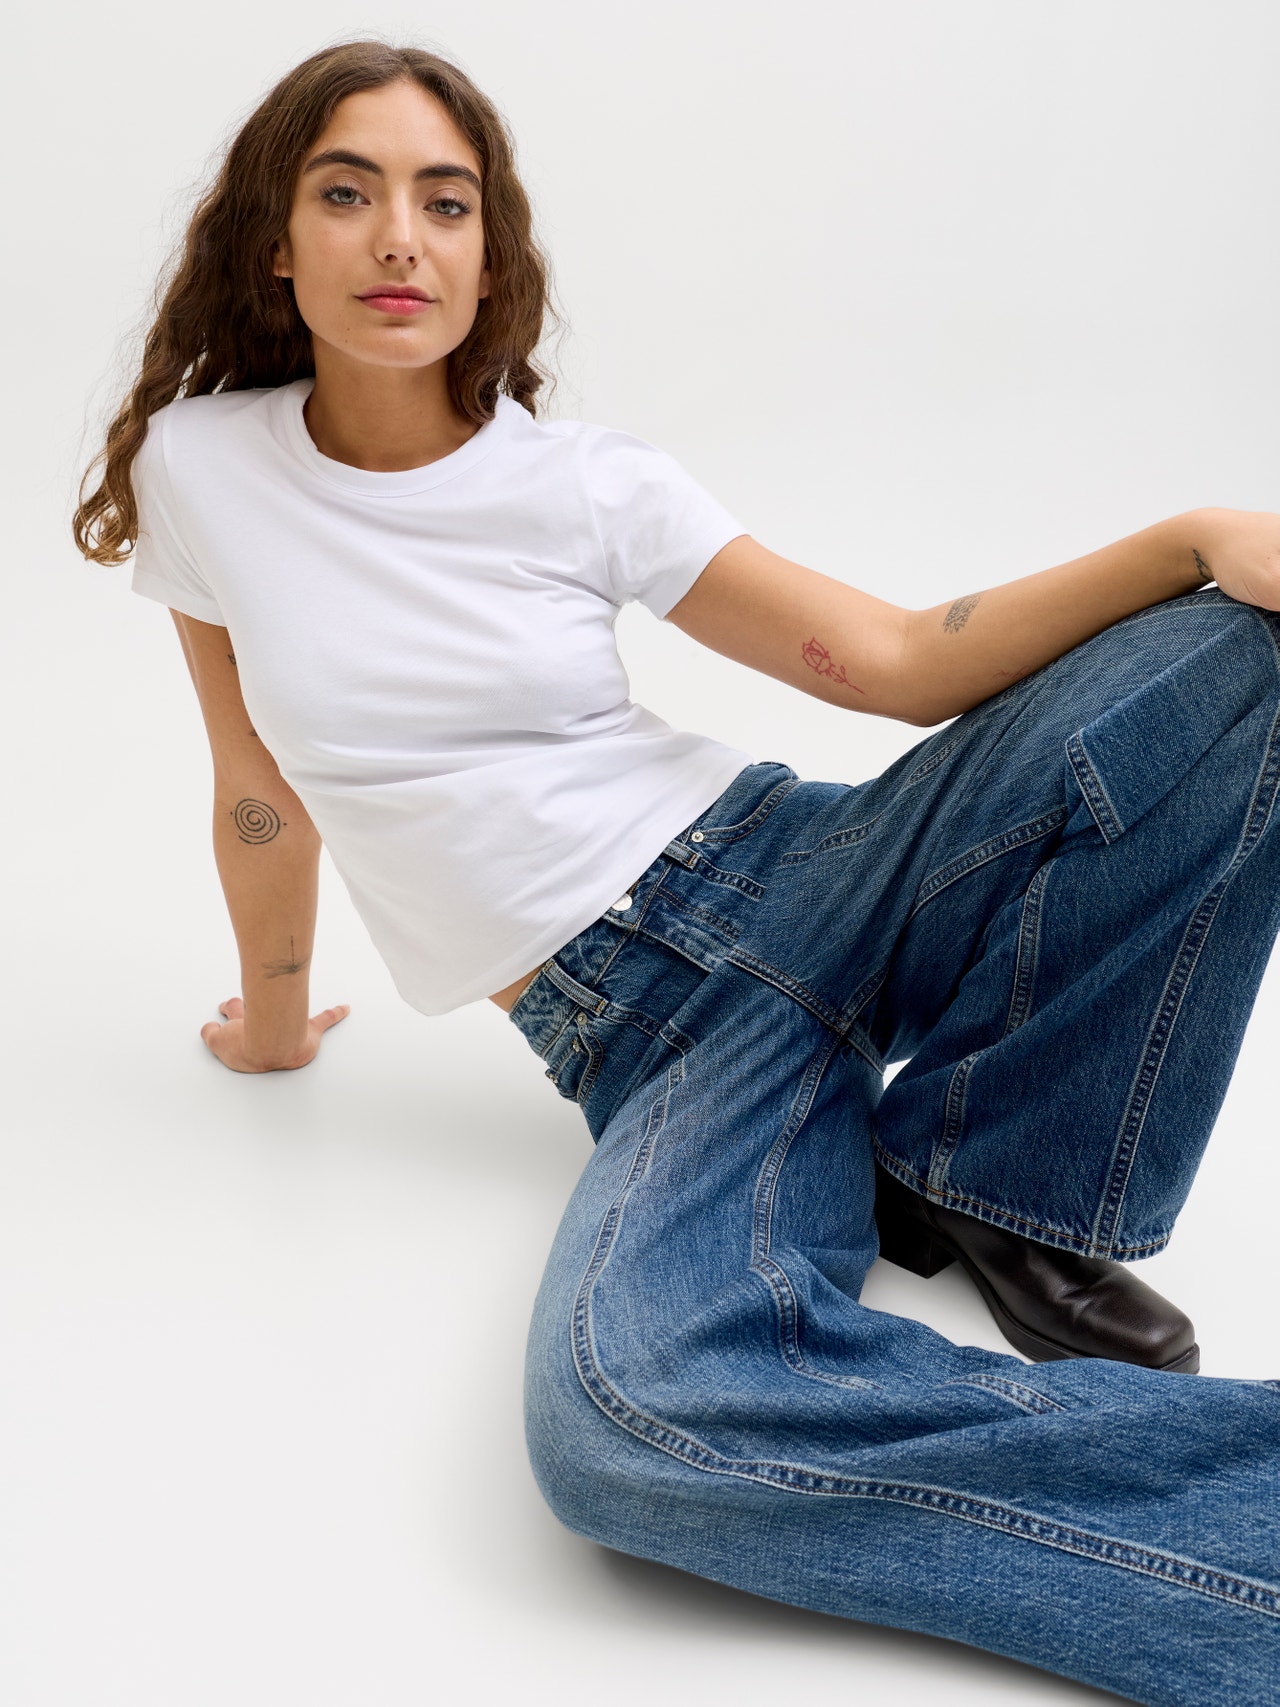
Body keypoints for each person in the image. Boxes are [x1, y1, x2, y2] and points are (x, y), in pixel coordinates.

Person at [74, 39, 1280, 1707]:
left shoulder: (585, 483)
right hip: (661, 1037)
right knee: (624, 1418)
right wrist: (272, 1021)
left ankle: (1003, 1178)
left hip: (815, 866)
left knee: (1235, 661)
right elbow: (256, 787)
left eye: (445, 202)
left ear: (489, 251)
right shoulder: (200, 467)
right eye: (347, 193)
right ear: (275, 242)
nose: (400, 236)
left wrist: (1191, 542)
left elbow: (892, 664)